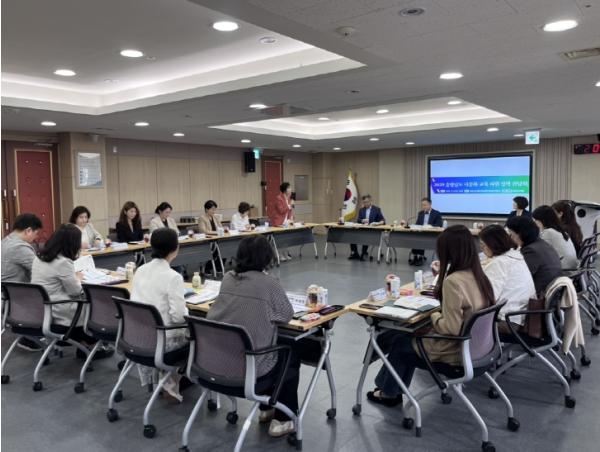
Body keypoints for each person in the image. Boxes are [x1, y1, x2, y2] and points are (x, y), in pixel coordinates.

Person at [367, 225, 494, 406]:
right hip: (480, 348)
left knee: (400, 342)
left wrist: (434, 315)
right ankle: (389, 389)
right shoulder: (479, 275)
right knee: (401, 339)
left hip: (455, 351)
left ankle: (388, 393)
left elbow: (451, 328)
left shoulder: (453, 281)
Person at [208, 235, 319, 438]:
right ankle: (283, 419)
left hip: (216, 363)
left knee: (264, 346)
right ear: (266, 257)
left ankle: (266, 409)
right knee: (288, 353)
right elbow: (286, 315)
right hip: (248, 370)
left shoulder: (228, 278)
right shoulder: (269, 283)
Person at [31, 224, 112, 359]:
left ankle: (85, 344)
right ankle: (90, 344)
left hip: (43, 310)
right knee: (98, 305)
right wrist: (77, 278)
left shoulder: (39, 257)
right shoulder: (63, 262)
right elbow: (75, 291)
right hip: (61, 313)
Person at [130, 228, 189, 401]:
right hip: (162, 340)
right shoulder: (173, 277)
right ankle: (172, 383)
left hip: (138, 335)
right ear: (175, 249)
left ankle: (168, 381)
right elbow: (179, 317)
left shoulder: (140, 270)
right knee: (198, 336)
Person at [1, 213, 43, 351]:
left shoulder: (5, 241)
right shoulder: (20, 247)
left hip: (7, 298)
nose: (35, 238)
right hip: (18, 301)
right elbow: (41, 271)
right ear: (28, 230)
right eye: (36, 233)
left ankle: (29, 336)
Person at [479, 225, 536, 326]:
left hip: (507, 321)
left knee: (462, 324)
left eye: (483, 245)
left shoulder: (500, 263)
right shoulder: (516, 256)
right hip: (521, 316)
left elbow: (489, 298)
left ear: (493, 244)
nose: (482, 248)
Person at [506, 216, 562, 296]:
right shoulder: (541, 243)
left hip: (538, 296)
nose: (511, 238)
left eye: (511, 234)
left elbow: (518, 278)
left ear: (520, 234)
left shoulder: (531, 251)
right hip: (549, 291)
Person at [532, 205, 579, 270]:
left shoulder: (548, 232)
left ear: (542, 220)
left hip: (563, 269)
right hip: (571, 267)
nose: (534, 222)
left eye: (536, 220)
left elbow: (538, 252)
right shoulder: (561, 231)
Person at [349, 195, 385, 261]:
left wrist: (377, 223)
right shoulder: (361, 210)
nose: (365, 204)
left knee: (366, 235)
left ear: (371, 201)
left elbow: (383, 220)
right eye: (364, 202)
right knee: (352, 234)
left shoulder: (376, 209)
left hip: (372, 230)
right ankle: (355, 253)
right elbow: (358, 220)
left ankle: (363, 253)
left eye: (367, 202)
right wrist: (362, 220)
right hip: (363, 228)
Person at [408, 197, 443, 266]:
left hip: (431, 234)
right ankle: (415, 257)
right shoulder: (420, 213)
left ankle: (420, 257)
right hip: (421, 232)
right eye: (422, 205)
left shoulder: (436, 213)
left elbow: (439, 224)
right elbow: (417, 224)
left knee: (421, 238)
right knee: (415, 237)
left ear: (430, 204)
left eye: (425, 205)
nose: (424, 207)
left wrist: (429, 226)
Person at [269, 182, 295, 262]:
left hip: (286, 222)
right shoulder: (279, 198)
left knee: (287, 239)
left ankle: (285, 253)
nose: (290, 189)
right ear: (285, 190)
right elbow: (281, 210)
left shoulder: (289, 198)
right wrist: (290, 205)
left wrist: (291, 218)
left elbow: (289, 210)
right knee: (280, 239)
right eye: (289, 188)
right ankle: (279, 255)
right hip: (278, 222)